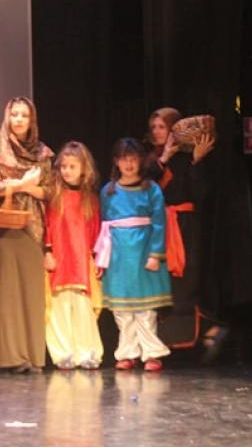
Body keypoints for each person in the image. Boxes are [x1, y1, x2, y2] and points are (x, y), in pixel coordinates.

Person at [0, 97, 53, 373]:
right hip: (5, 224)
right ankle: (8, 357)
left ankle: (32, 356)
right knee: (6, 292)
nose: (19, 120)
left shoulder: (43, 153)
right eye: (14, 114)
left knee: (31, 291)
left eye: (24, 115)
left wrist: (25, 187)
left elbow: (50, 190)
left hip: (33, 224)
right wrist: (22, 184)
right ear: (7, 117)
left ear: (31, 119)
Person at [142, 108, 216, 353]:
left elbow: (200, 193)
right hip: (159, 226)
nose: (157, 132)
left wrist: (197, 161)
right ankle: (161, 338)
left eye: (162, 127)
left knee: (187, 277)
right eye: (154, 127)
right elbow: (143, 189)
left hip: (184, 226)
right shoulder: (151, 160)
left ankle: (188, 335)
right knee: (161, 280)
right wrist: (163, 159)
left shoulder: (186, 159)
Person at [97, 138, 172, 371]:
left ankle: (151, 353)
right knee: (122, 310)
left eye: (133, 159)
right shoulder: (108, 191)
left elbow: (159, 223)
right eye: (123, 159)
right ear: (116, 162)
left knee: (145, 309)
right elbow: (104, 225)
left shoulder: (151, 189)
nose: (128, 164)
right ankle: (127, 353)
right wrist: (102, 256)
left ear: (141, 161)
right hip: (118, 256)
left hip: (143, 251)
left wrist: (155, 254)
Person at [44, 141, 104, 370]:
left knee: (82, 307)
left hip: (81, 261)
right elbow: (46, 226)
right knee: (59, 306)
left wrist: (96, 257)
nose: (67, 171)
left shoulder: (91, 199)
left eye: (72, 167)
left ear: (83, 169)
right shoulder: (54, 196)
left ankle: (88, 351)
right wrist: (47, 251)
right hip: (59, 258)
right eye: (63, 166)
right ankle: (63, 352)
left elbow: (96, 231)